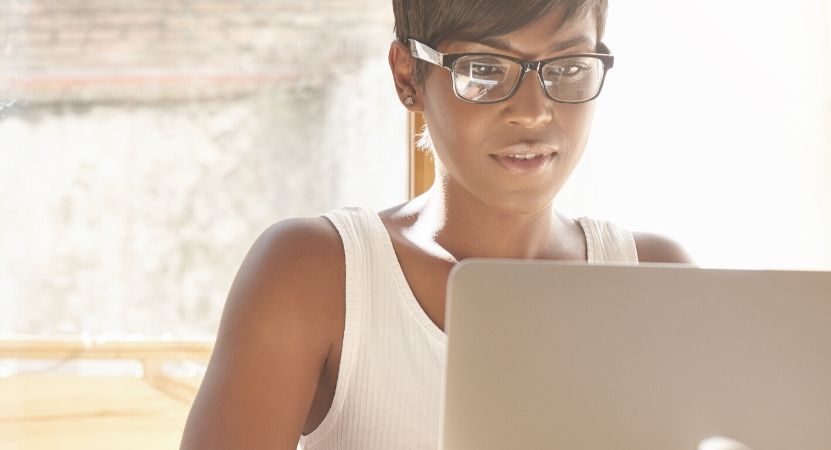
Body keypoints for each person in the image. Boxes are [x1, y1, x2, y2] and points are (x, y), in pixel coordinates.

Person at [180, 0, 692, 448]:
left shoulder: (658, 280)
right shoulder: (314, 276)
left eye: (567, 67)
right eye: (485, 69)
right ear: (408, 76)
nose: (534, 112)